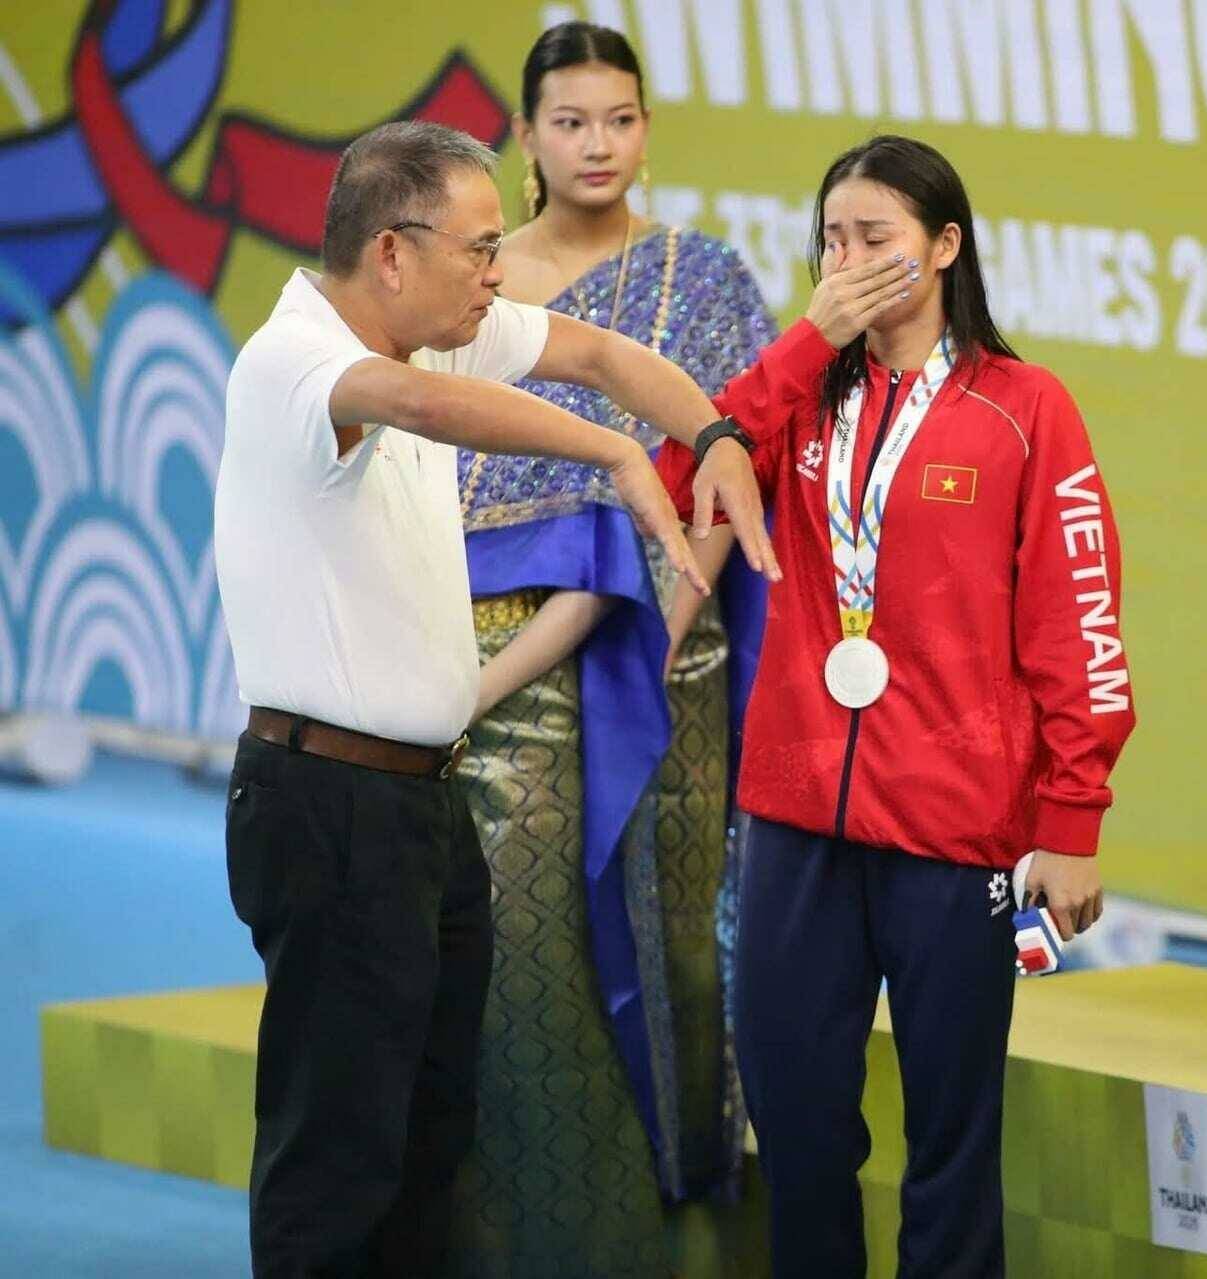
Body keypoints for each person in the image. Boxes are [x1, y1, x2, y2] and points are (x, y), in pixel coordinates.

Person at [212, 119, 772, 1279]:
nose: (498, 273)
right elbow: (419, 408)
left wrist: (711, 434)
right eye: (478, 249)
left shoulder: (437, 334)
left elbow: (606, 359)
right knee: (337, 1154)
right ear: (391, 252)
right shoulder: (297, 361)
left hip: (428, 803)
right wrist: (616, 457)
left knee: (432, 1137)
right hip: (328, 804)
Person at [656, 134, 1138, 1278]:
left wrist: (1072, 818)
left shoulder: (1026, 410)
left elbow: (1078, 626)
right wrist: (801, 345)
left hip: (953, 833)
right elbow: (682, 491)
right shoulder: (797, 400)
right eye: (832, 240)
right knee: (799, 1132)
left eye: (876, 237)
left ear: (946, 246)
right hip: (796, 824)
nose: (850, 260)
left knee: (951, 1153)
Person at [440, 22, 779, 1277]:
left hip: (667, 661)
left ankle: (689, 1230)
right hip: (492, 666)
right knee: (519, 952)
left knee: (675, 942)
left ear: (647, 129)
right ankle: (527, 1235)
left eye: (621, 119)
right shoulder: (471, 285)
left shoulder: (704, 279)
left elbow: (733, 471)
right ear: (524, 135)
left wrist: (664, 617)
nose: (599, 144)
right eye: (571, 121)